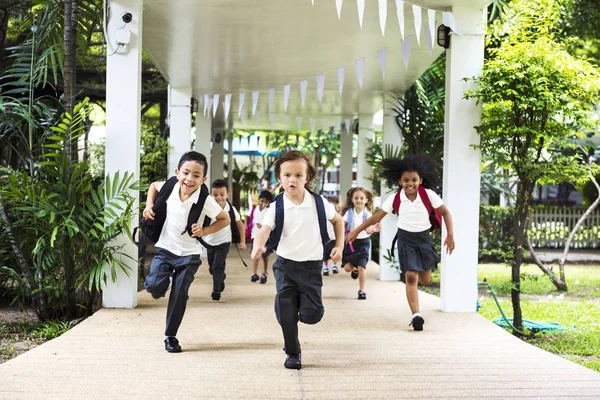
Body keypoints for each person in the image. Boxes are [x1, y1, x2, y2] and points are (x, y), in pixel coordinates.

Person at [251, 151, 344, 370]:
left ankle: (289, 310)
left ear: (307, 177)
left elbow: (338, 221)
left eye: (298, 175)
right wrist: (258, 245)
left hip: (311, 267)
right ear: (279, 178)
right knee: (287, 310)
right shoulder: (276, 206)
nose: (292, 179)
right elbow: (264, 230)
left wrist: (339, 246)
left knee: (313, 315)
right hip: (285, 265)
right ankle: (293, 352)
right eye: (287, 175)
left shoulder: (319, 202)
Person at [347, 154, 455, 331]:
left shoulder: (428, 195)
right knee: (410, 276)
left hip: (424, 239)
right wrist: (357, 230)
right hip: (405, 239)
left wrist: (450, 235)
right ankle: (416, 315)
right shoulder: (395, 198)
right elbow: (376, 217)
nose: (410, 183)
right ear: (400, 181)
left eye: (414, 180)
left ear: (420, 180)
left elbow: (446, 213)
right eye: (406, 180)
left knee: (425, 279)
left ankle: (420, 275)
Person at [143, 151, 230, 353]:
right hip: (165, 248)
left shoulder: (205, 200)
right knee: (155, 286)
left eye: (196, 175)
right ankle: (160, 285)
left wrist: (205, 231)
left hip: (189, 254)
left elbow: (224, 219)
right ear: (177, 172)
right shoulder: (170, 186)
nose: (189, 179)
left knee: (180, 293)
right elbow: (153, 186)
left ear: (203, 179)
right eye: (186, 173)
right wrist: (148, 206)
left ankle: (170, 336)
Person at [199, 179, 246, 301]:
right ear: (210, 196)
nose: (218, 198)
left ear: (227, 195)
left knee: (218, 266)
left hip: (224, 242)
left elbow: (241, 226)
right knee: (212, 267)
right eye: (215, 195)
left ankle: (216, 291)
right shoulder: (208, 209)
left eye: (222, 194)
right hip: (209, 242)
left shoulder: (231, 209)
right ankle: (220, 278)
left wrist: (243, 241)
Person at [341, 187, 379, 300]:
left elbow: (368, 230)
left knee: (362, 266)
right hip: (351, 243)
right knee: (347, 268)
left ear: (366, 200)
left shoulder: (367, 214)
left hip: (363, 244)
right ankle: (354, 269)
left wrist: (375, 228)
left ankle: (362, 290)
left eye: (362, 198)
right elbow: (342, 224)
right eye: (356, 198)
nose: (359, 200)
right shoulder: (349, 213)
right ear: (352, 200)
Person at [250, 190, 273, 283]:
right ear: (259, 200)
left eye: (266, 202)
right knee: (255, 255)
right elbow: (251, 218)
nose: (263, 203)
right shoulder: (255, 209)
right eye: (262, 201)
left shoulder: (269, 211)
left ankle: (265, 272)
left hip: (265, 237)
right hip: (255, 235)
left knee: (264, 255)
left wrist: (263, 226)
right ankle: (254, 273)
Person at [322, 196, 340, 276]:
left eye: (334, 202)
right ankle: (325, 267)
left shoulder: (338, 214)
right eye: (331, 202)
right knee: (325, 254)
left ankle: (334, 265)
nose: (333, 204)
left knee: (334, 252)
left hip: (334, 237)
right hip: (326, 237)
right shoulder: (324, 213)